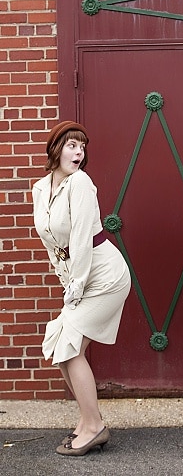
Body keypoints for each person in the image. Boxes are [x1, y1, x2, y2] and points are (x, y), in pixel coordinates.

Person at [31, 121, 131, 456]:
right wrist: (66, 280)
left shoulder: (81, 183)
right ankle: (88, 419)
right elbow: (51, 241)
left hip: (103, 275)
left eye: (82, 147)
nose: (79, 152)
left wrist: (76, 283)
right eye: (72, 145)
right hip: (77, 274)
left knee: (70, 346)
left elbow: (81, 240)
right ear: (55, 149)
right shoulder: (41, 188)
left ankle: (94, 427)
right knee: (63, 346)